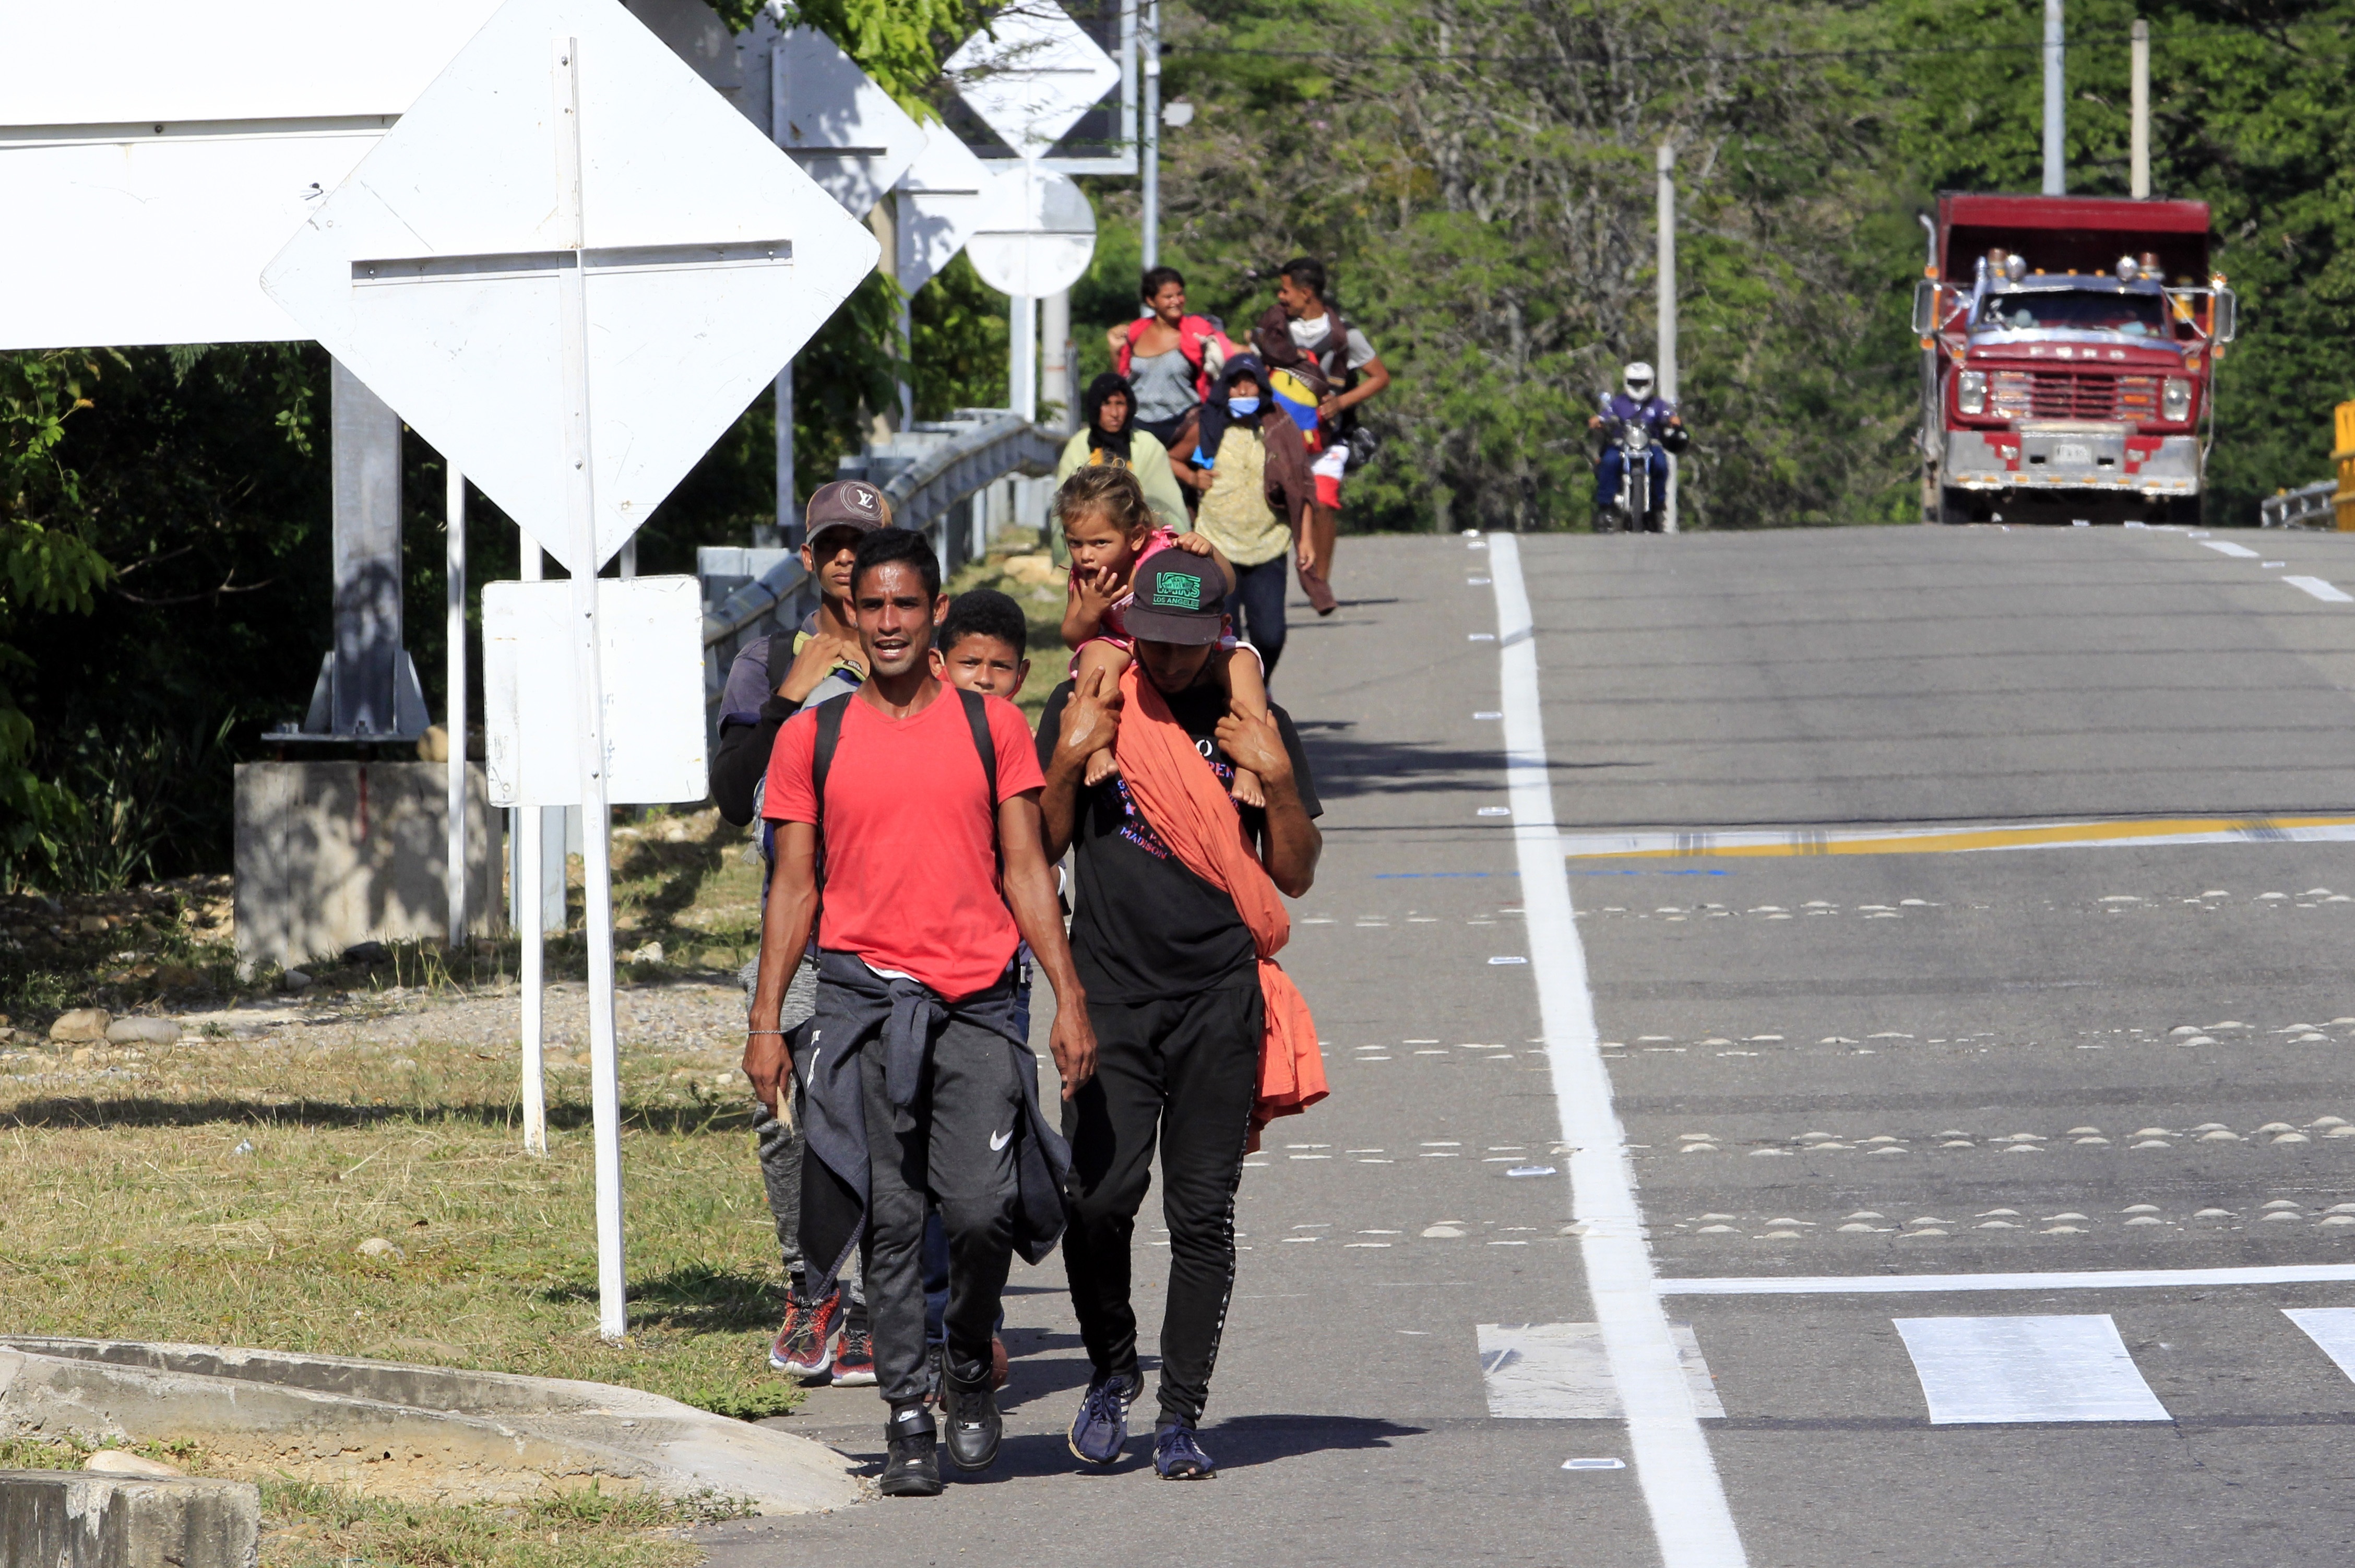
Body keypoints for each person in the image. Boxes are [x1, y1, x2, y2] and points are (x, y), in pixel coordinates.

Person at [745, 528, 1097, 1499]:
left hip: (980, 1000)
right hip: (862, 1004)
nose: (890, 622)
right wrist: (767, 1020)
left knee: (982, 1210)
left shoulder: (991, 727)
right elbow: (792, 887)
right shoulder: (811, 737)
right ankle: (907, 1413)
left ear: (935, 611)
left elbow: (1028, 868)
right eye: (873, 606)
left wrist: (1067, 996)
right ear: (850, 617)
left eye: (908, 605)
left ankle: (968, 1363)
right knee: (891, 1221)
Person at [1036, 550, 1326, 1480]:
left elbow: (1294, 871)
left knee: (1202, 1213)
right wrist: (1067, 757)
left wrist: (1274, 777)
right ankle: (1112, 1370)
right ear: (1131, 630)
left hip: (1215, 999)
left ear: (1217, 635)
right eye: (1152, 642)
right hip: (1108, 995)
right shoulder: (1093, 695)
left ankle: (1180, 1415)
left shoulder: (1247, 713)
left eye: (1187, 644)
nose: (1167, 660)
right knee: (1098, 1199)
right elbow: (1039, 848)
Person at [707, 479, 890, 1386]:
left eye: (867, 541)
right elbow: (731, 795)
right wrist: (789, 695)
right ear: (811, 560)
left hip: (901, 928)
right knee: (784, 1113)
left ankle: (891, 1301)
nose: (850, 558)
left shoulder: (916, 655)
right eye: (835, 544)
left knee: (893, 1117)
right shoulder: (768, 657)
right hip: (804, 928)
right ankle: (810, 1287)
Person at [1057, 465, 1271, 805]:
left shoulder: (1164, 554)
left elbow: (1226, 584)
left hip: (1197, 641)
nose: (1086, 554)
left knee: (1243, 663)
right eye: (1075, 543)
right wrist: (1090, 610)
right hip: (1125, 644)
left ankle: (1250, 764)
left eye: (1100, 542)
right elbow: (1072, 635)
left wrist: (1209, 551)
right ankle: (1097, 748)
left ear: (1137, 537)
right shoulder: (1085, 579)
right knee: (1094, 656)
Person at [1251, 257, 1390, 616]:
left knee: (1324, 502)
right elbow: (1250, 365)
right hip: (1283, 437)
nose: (1280, 297)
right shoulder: (1276, 330)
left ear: (1306, 293)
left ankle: (1319, 581)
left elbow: (1380, 377)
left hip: (1329, 439)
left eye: (1285, 290)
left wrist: (1341, 401)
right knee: (1280, 502)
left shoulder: (1346, 335)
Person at [1170, 354, 1311, 680]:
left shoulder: (1278, 425)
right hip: (1217, 545)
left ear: (1262, 386)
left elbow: (1300, 485)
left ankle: (1261, 683)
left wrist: (1305, 540)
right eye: (1236, 383)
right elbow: (1169, 456)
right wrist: (1192, 479)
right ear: (1225, 386)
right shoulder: (1206, 423)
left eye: (1251, 382)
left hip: (1269, 544)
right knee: (1221, 636)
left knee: (1271, 636)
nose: (1244, 390)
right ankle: (1229, 695)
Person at [1107, 266, 1239, 454]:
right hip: (1138, 425)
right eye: (1168, 297)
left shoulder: (1197, 331)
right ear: (1151, 301)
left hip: (1183, 427)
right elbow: (1121, 379)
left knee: (1173, 474)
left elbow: (1228, 350)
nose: (1176, 301)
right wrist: (1114, 350)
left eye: (1180, 295)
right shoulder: (1136, 332)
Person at [1054, 372, 1191, 547]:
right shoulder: (1078, 446)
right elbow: (1067, 503)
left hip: (1141, 540)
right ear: (1095, 407)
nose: (1115, 413)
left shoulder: (1148, 445)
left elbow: (1165, 503)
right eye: (1106, 404)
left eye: (1120, 404)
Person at [1588, 360, 1687, 531]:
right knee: (1609, 462)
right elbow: (1602, 416)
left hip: (1649, 445)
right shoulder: (1618, 403)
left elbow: (1670, 415)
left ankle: (1657, 507)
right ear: (1627, 382)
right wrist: (1599, 421)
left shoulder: (1657, 404)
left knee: (1661, 464)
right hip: (1621, 444)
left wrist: (1673, 421)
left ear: (1651, 383)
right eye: (1635, 382)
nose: (1639, 387)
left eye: (1643, 383)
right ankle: (1606, 509)